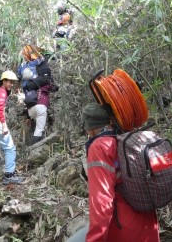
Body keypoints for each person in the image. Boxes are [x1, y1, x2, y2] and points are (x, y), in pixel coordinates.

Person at [67, 103, 160, 242]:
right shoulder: (127, 140)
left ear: (90, 128)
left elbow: (102, 201)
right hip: (149, 229)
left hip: (123, 230)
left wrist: (95, 239)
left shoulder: (99, 147)